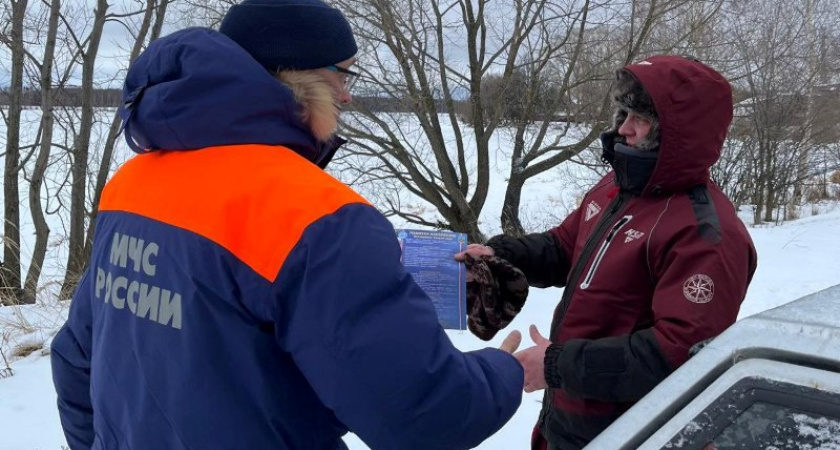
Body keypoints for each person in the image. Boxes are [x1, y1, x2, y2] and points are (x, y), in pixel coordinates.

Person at [49, 1, 525, 449]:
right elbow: (424, 412)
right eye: (343, 75)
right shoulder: (314, 214)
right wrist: (511, 370)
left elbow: (77, 359)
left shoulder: (132, 184)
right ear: (299, 80)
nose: (348, 95)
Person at [456, 55, 758, 450]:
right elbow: (563, 247)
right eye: (624, 112)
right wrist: (498, 252)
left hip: (632, 433)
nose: (624, 129)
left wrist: (555, 366)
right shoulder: (618, 185)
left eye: (642, 119)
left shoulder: (705, 234)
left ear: (680, 134)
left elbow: (676, 356)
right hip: (568, 418)